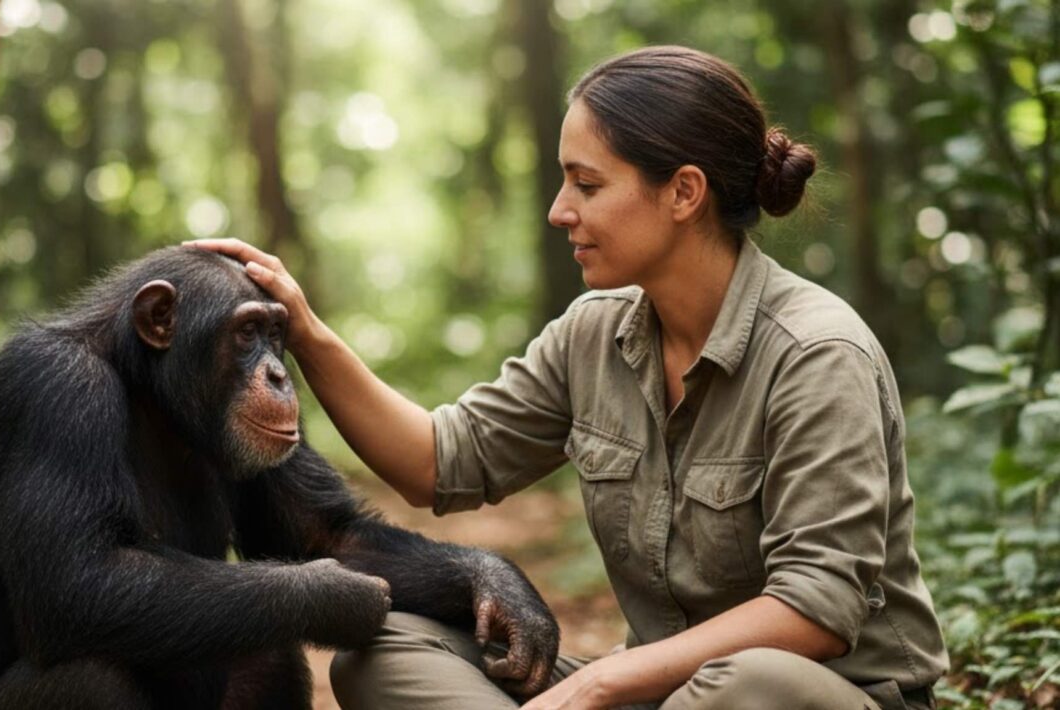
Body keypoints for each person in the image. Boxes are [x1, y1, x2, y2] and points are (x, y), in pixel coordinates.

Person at [189, 45, 947, 710]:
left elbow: (815, 609)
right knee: (387, 650)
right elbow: (437, 461)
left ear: (684, 193)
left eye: (587, 185)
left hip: (812, 696)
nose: (560, 211)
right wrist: (309, 335)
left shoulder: (816, 354)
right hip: (656, 695)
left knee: (749, 685)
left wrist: (602, 682)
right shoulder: (596, 334)